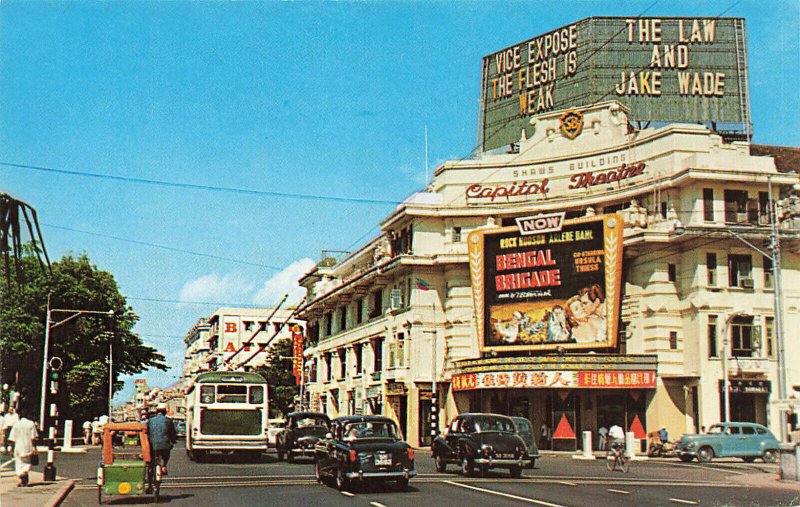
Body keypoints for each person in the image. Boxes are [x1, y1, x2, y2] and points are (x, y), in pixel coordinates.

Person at [8, 408, 38, 487]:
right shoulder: (31, 424)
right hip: (28, 446)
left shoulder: (16, 424)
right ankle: (24, 475)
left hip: (18, 447)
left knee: (19, 463)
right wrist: (35, 447)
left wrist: (11, 448)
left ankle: (22, 479)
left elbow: (12, 439)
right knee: (27, 462)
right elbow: (33, 438)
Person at [147, 403, 177, 476]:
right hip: (165, 445)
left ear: (156, 412)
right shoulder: (168, 420)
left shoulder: (150, 420)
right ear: (165, 412)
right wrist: (173, 441)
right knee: (167, 452)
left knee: (151, 460)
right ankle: (164, 466)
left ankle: (150, 469)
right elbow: (172, 433)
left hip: (152, 445)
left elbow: (147, 432)